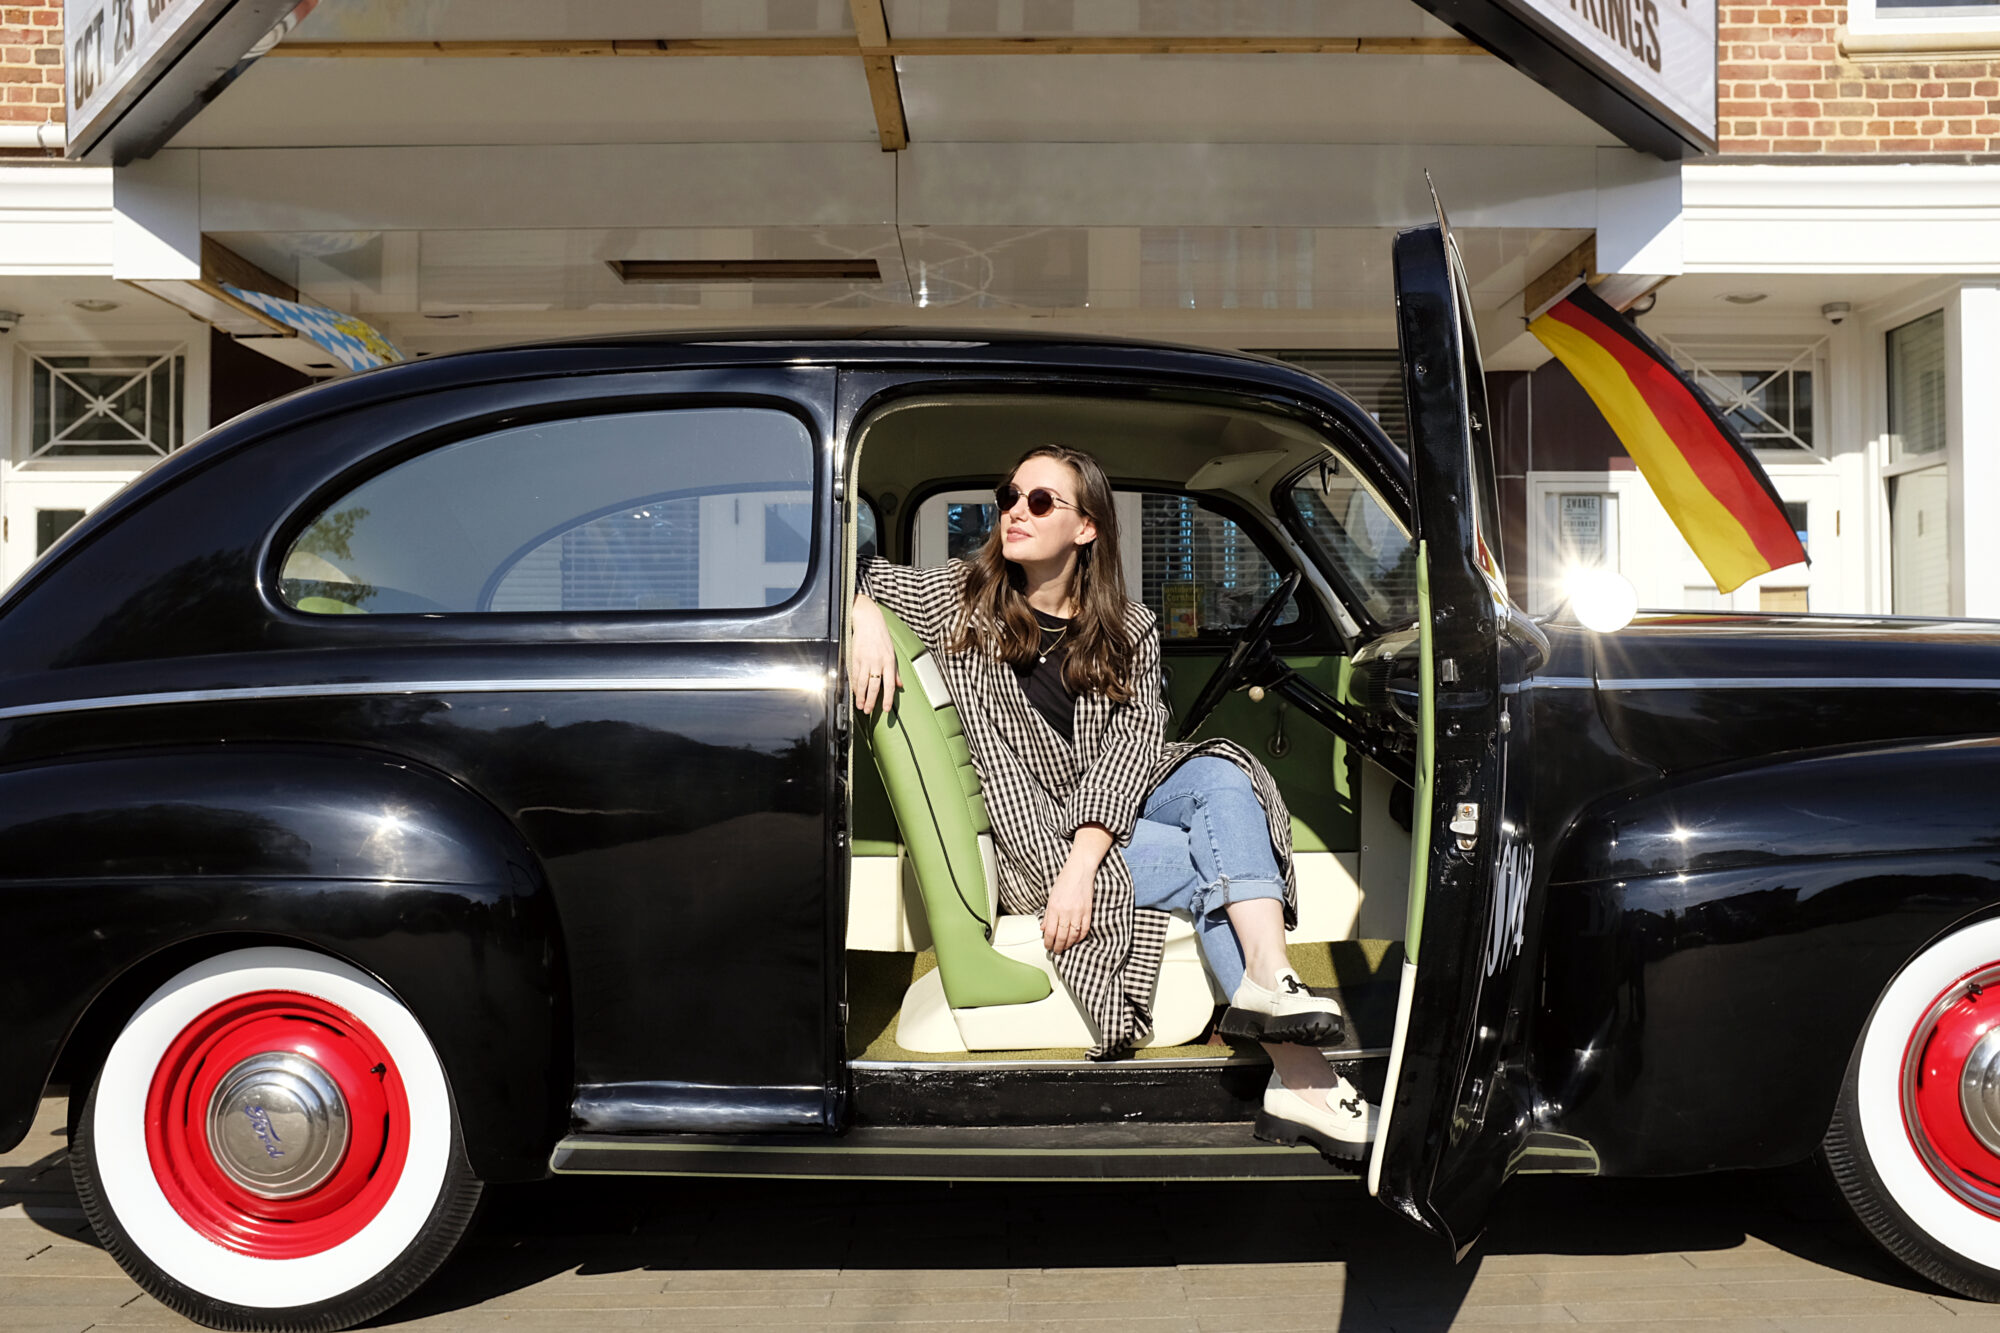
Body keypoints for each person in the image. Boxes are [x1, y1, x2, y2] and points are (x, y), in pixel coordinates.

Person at [850, 444, 1375, 1158]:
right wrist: (861, 615)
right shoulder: (959, 596)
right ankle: (1301, 1070)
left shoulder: (1130, 628)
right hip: (1030, 837)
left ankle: (1267, 981)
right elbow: (847, 567)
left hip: (1096, 823)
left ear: (1087, 527)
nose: (1014, 512)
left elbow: (1132, 751)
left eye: (1040, 501)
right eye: (1010, 496)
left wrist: (1086, 859)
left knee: (1226, 774)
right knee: (1208, 863)